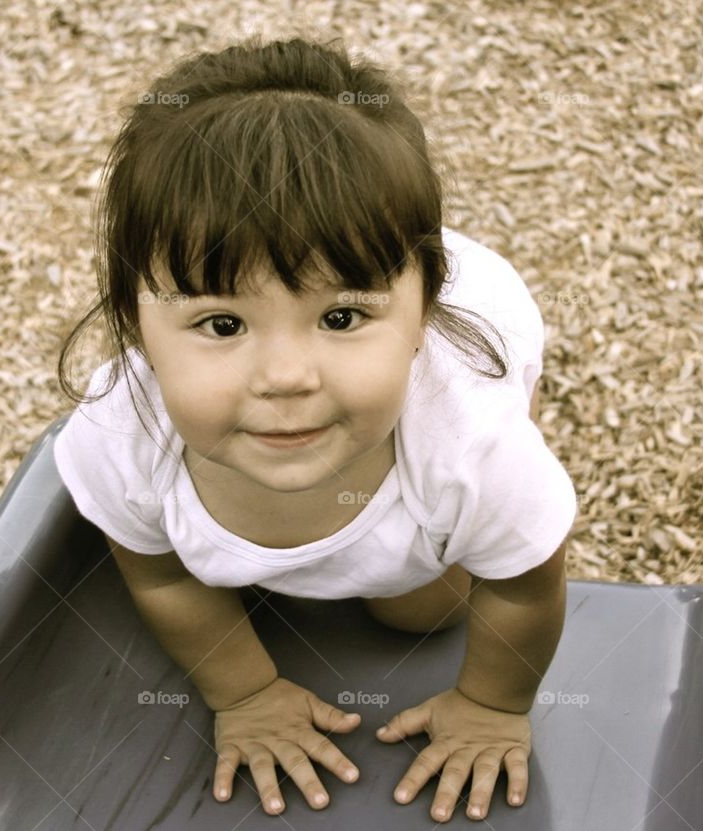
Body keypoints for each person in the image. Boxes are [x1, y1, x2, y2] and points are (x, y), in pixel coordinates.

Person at [53, 33, 576, 824]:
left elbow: (524, 581)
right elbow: (162, 577)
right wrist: (246, 693)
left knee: (420, 608)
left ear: (422, 315)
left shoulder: (470, 447)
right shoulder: (120, 437)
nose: (286, 376)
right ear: (135, 324)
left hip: (488, 338)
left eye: (340, 317)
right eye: (223, 324)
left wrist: (492, 705)